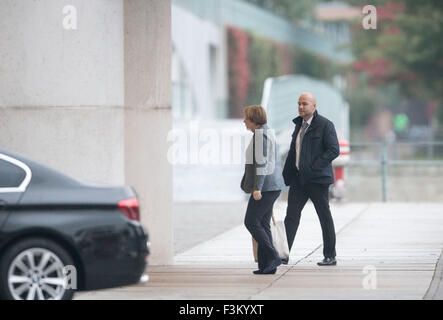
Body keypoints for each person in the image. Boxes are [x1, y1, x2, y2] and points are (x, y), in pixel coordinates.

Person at [282, 93, 340, 266]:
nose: (301, 107)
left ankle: (330, 256)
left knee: (324, 216)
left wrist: (315, 166)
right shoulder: (298, 125)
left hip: (317, 180)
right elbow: (294, 152)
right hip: (298, 180)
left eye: (304, 104)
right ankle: (282, 255)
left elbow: (333, 150)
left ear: (313, 106)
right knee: (291, 217)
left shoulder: (325, 125)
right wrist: (287, 174)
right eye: (299, 103)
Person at [241, 105, 286, 275]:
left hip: (265, 187)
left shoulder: (261, 136)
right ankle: (268, 265)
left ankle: (273, 256)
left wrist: (257, 189)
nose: (244, 121)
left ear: (253, 120)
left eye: (246, 118)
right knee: (263, 223)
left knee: (251, 221)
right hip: (272, 186)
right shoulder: (267, 132)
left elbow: (261, 165)